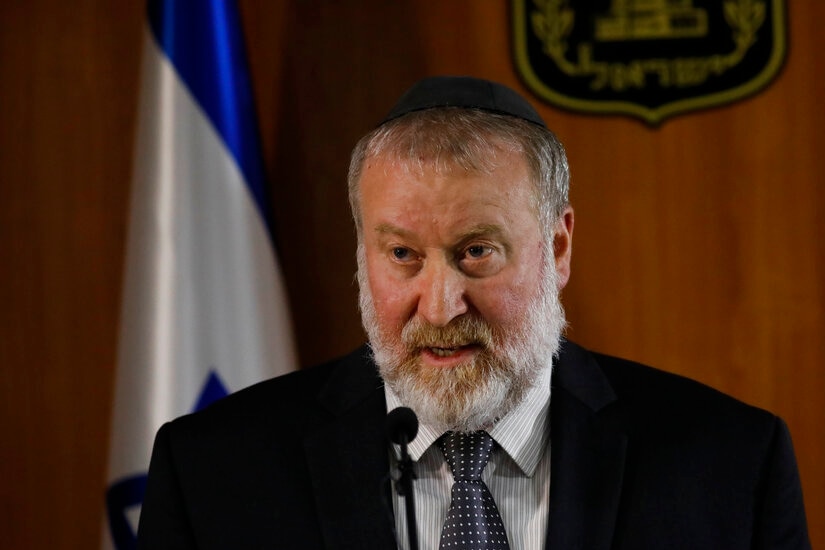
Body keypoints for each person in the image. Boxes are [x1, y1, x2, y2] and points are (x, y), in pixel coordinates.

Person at [137, 76, 811, 549]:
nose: (438, 305)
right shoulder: (213, 475)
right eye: (402, 253)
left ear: (557, 246)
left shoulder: (728, 466)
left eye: (476, 252)